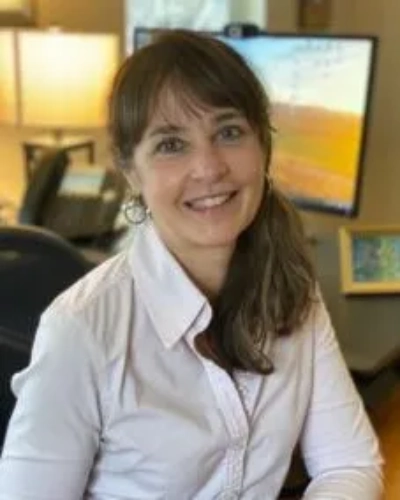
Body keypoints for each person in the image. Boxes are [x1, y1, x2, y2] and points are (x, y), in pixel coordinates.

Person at [0, 30, 383, 499]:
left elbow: (350, 463)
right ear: (130, 169)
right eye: (170, 144)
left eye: (228, 132)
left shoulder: (293, 289)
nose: (208, 167)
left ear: (263, 145)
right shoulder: (81, 329)